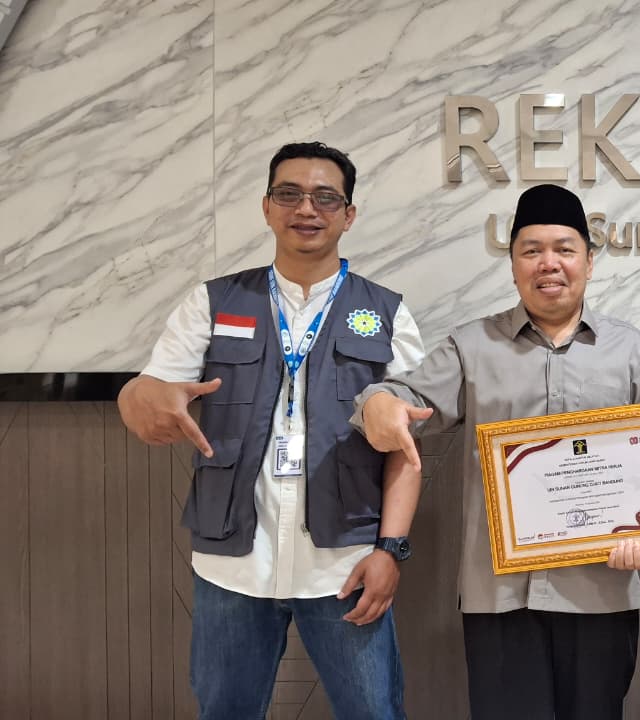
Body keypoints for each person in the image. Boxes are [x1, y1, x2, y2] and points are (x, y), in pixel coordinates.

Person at [117, 141, 426, 719]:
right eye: (289, 194)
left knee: (374, 712)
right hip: (232, 566)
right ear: (266, 207)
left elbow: (407, 451)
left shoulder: (387, 313)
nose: (306, 208)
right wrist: (137, 397)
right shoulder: (212, 303)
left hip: (345, 565)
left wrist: (390, 550)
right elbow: (147, 391)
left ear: (349, 215)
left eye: (325, 198)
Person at [352, 183, 640, 720]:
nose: (549, 263)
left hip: (600, 590)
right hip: (499, 595)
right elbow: (405, 399)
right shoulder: (472, 345)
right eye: (531, 250)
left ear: (589, 261)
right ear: (514, 264)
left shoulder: (630, 349)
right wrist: (377, 402)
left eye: (564, 249)